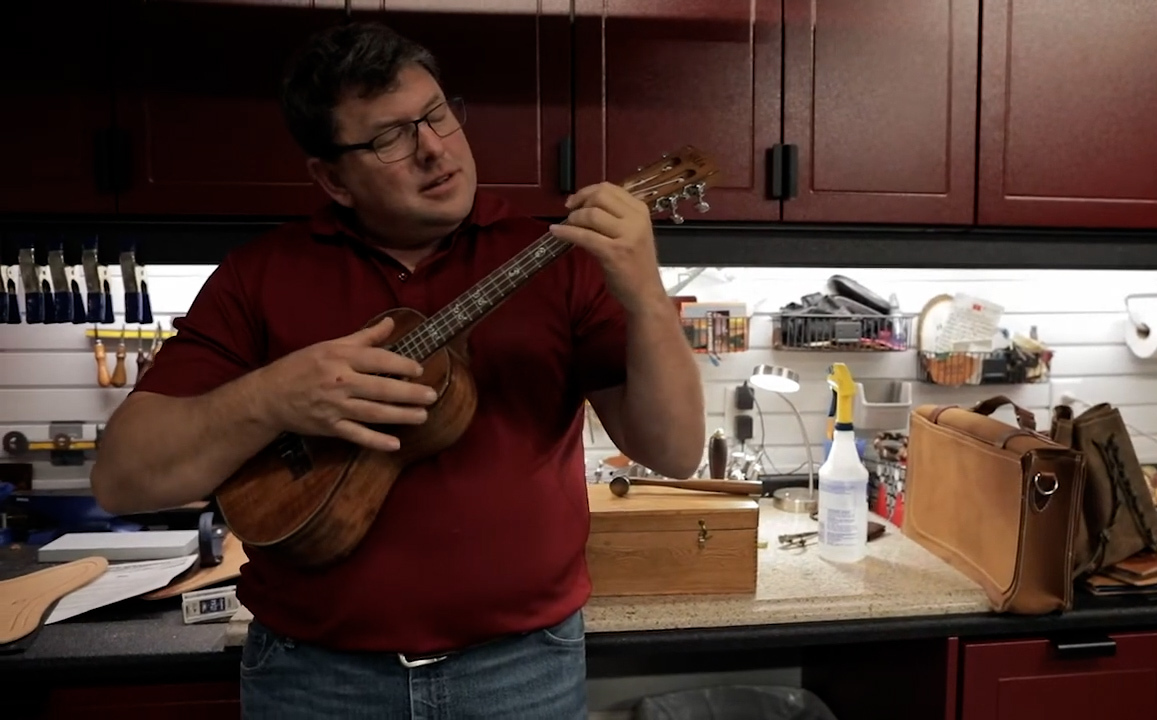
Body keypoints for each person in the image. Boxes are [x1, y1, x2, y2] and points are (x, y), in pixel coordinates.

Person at [89, 20, 705, 720]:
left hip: (521, 673)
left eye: (437, 115)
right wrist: (275, 396)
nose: (433, 150)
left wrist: (647, 296)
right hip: (314, 682)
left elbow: (676, 450)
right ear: (332, 177)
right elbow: (122, 478)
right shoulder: (258, 278)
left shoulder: (557, 259)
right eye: (389, 138)